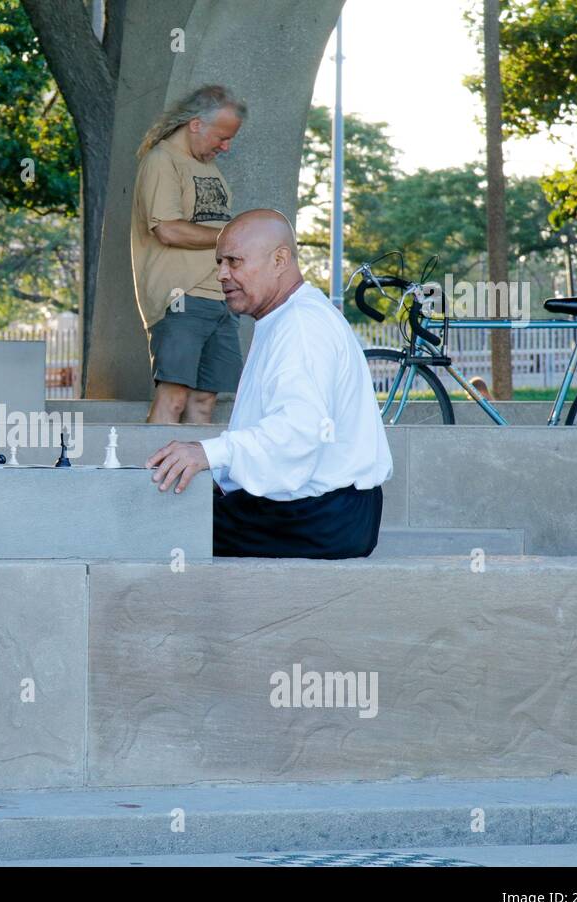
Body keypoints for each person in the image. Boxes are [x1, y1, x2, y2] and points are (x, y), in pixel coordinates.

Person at [146, 209, 393, 559]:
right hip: (321, 510)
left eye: (234, 261)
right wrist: (219, 470)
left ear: (280, 260)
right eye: (220, 262)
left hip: (321, 517)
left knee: (158, 524)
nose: (221, 274)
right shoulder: (286, 317)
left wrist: (209, 453)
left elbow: (299, 429)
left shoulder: (302, 326)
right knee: (173, 512)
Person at [130, 85, 247, 424]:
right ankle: (148, 479)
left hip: (221, 296)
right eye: (222, 137)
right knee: (174, 397)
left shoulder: (210, 170)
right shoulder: (161, 160)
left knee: (204, 402)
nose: (225, 147)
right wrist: (232, 238)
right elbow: (167, 229)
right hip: (180, 297)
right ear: (196, 124)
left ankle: (196, 479)